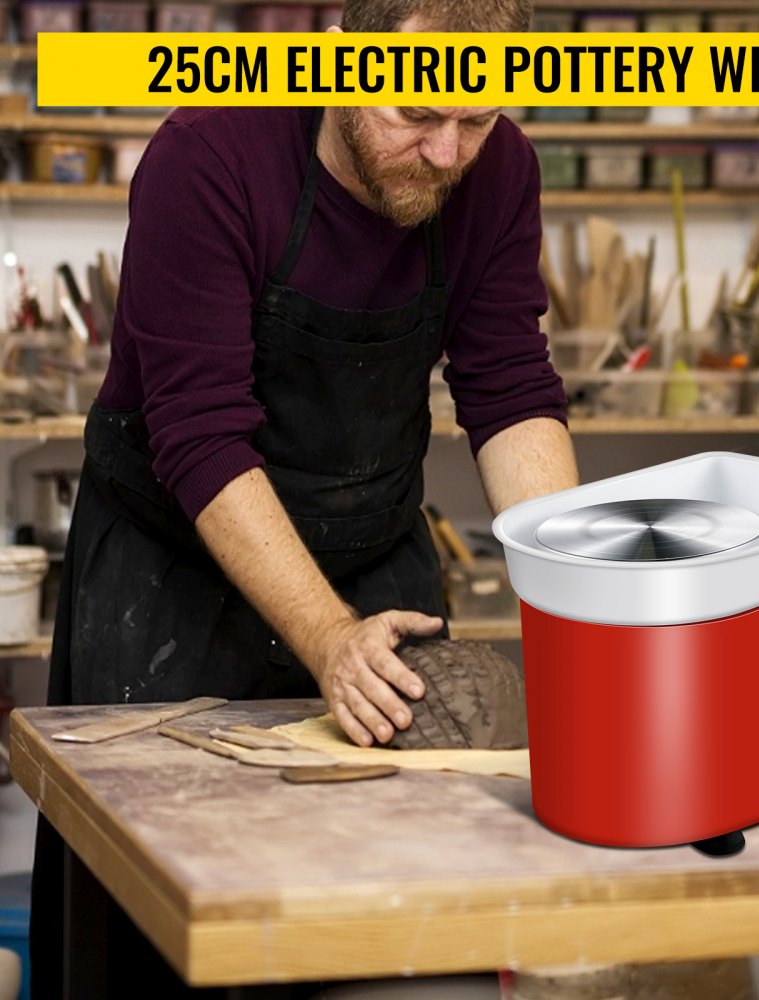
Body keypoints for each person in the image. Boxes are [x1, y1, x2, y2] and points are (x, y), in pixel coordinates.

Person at [30, 0, 579, 995]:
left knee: (396, 910)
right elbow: (198, 431)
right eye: (416, 112)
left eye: (480, 119)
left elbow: (508, 386)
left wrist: (585, 612)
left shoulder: (496, 167)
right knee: (161, 920)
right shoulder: (208, 151)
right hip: (172, 573)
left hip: (372, 553)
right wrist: (328, 641)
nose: (447, 151)